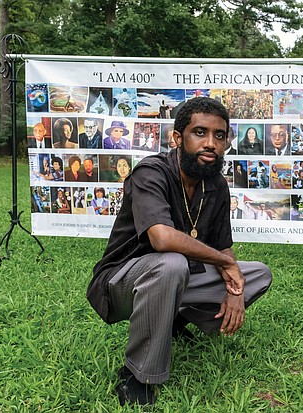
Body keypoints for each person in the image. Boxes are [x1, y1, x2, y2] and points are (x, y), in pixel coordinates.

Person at [87, 97, 272, 406]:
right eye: (200, 133)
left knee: (258, 274)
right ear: (177, 138)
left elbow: (222, 244)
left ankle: (172, 320)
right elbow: (161, 238)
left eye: (220, 135)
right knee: (172, 264)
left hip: (176, 277)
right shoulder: (151, 172)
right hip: (119, 283)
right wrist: (225, 263)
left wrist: (235, 286)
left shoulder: (216, 185)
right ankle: (137, 375)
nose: (211, 143)